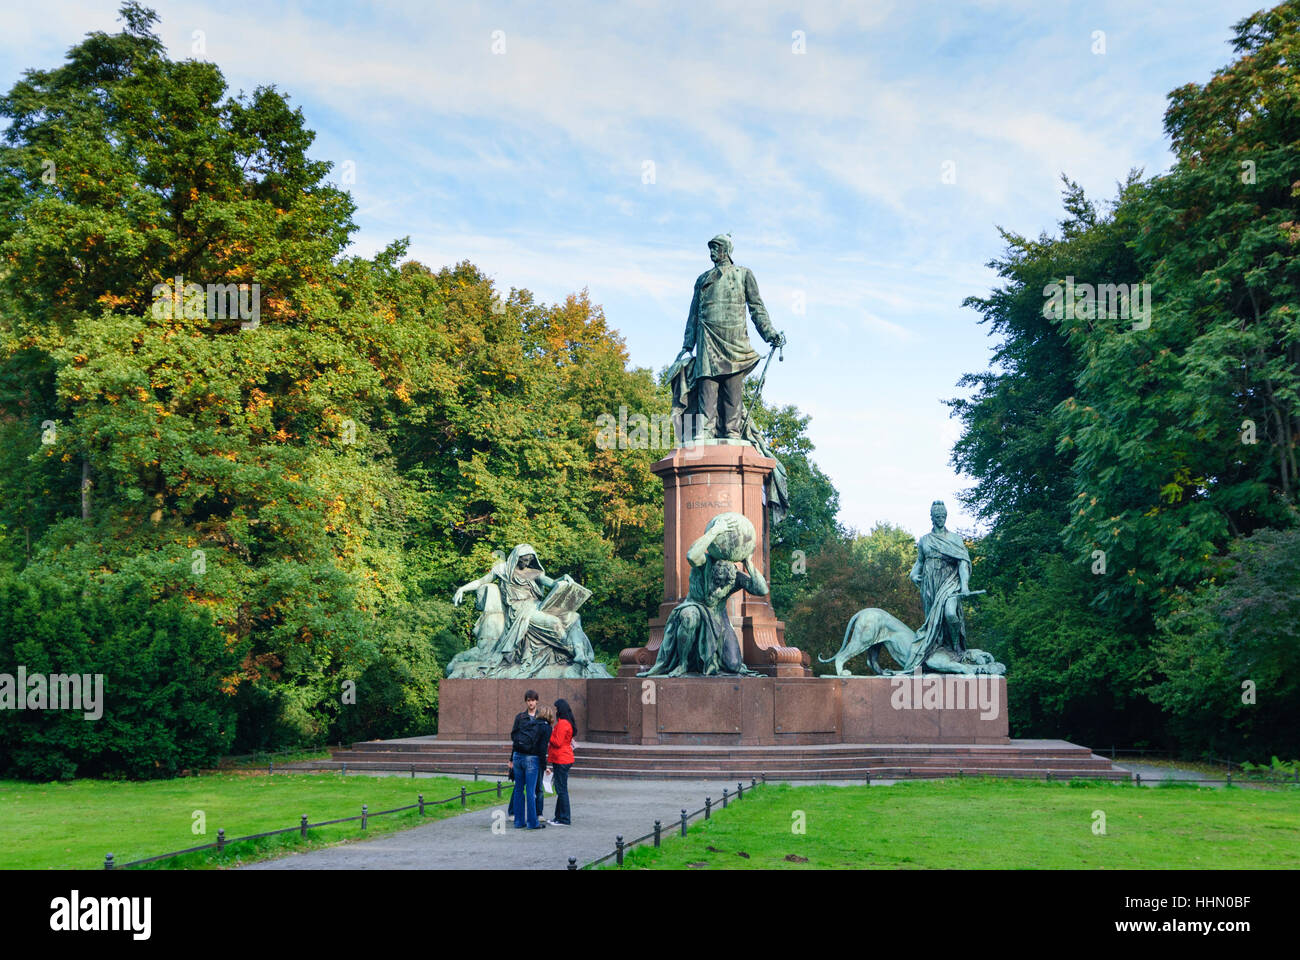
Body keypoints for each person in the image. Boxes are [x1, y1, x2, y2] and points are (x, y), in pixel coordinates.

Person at [675, 234, 786, 441]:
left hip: (735, 342)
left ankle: (731, 433)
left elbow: (757, 309)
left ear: (726, 249)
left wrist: (770, 333)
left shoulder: (743, 274)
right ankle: (705, 431)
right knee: (707, 387)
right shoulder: (702, 279)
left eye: (715, 248)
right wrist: (687, 345)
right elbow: (693, 315)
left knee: (732, 391)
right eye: (710, 248)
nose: (711, 253)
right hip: (707, 339)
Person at [507, 690, 542, 829]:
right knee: (520, 790)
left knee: (527, 791)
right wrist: (511, 759)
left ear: (536, 701)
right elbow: (514, 740)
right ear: (526, 701)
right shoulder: (520, 717)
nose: (531, 702)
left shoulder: (540, 717)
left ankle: (524, 821)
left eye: (533, 700)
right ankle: (526, 822)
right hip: (523, 757)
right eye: (528, 700)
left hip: (530, 757)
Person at [547, 699, 576, 826]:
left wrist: (549, 733)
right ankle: (558, 817)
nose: (556, 711)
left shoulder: (563, 723)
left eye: (557, 709)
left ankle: (564, 818)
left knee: (561, 789)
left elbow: (557, 742)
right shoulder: (566, 723)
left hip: (561, 758)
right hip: (563, 758)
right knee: (560, 789)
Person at [532, 705, 554, 825]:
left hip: (527, 757)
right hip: (537, 759)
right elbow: (542, 747)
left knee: (527, 788)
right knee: (539, 789)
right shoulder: (546, 728)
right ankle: (538, 813)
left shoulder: (533, 724)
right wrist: (544, 765)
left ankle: (518, 812)